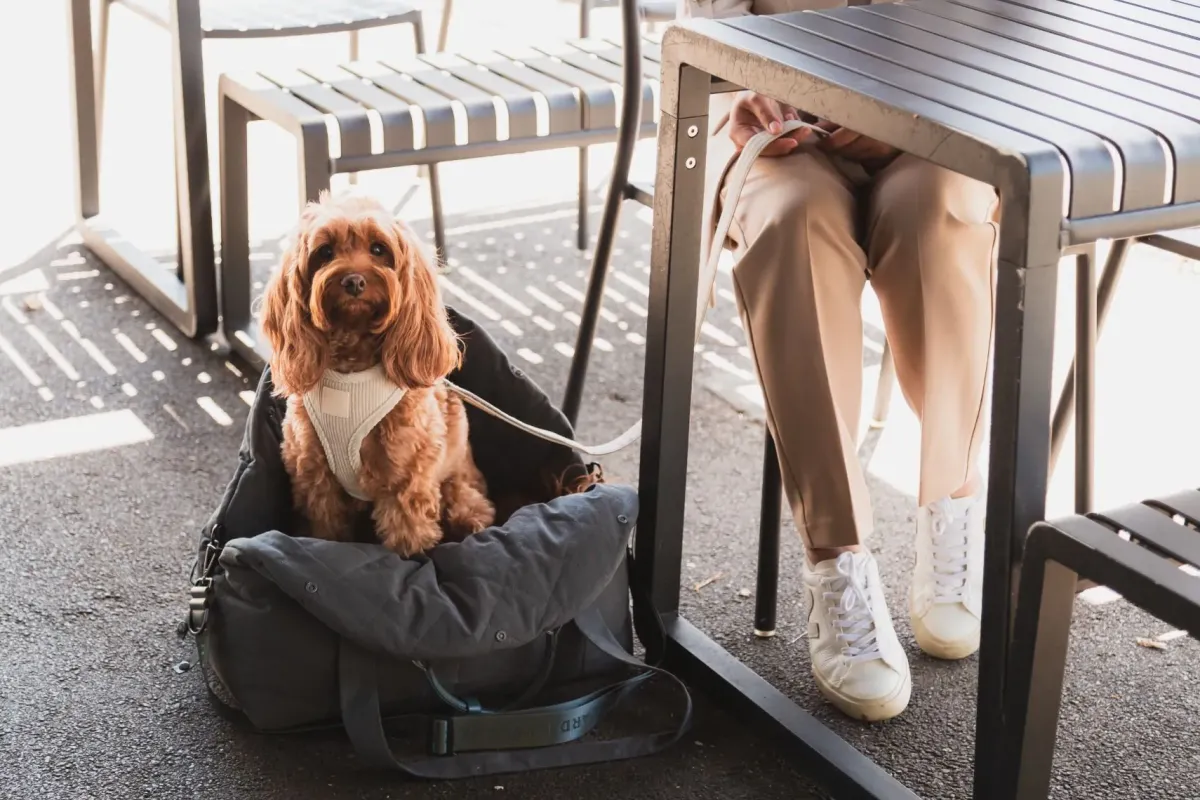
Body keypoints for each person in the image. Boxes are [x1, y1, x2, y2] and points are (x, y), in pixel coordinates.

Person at [682, 0, 999, 722]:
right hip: (777, 130)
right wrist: (748, 86)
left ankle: (953, 494)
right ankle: (837, 556)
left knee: (939, 209)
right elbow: (706, 29)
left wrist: (920, 98)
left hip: (941, 119)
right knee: (795, 223)